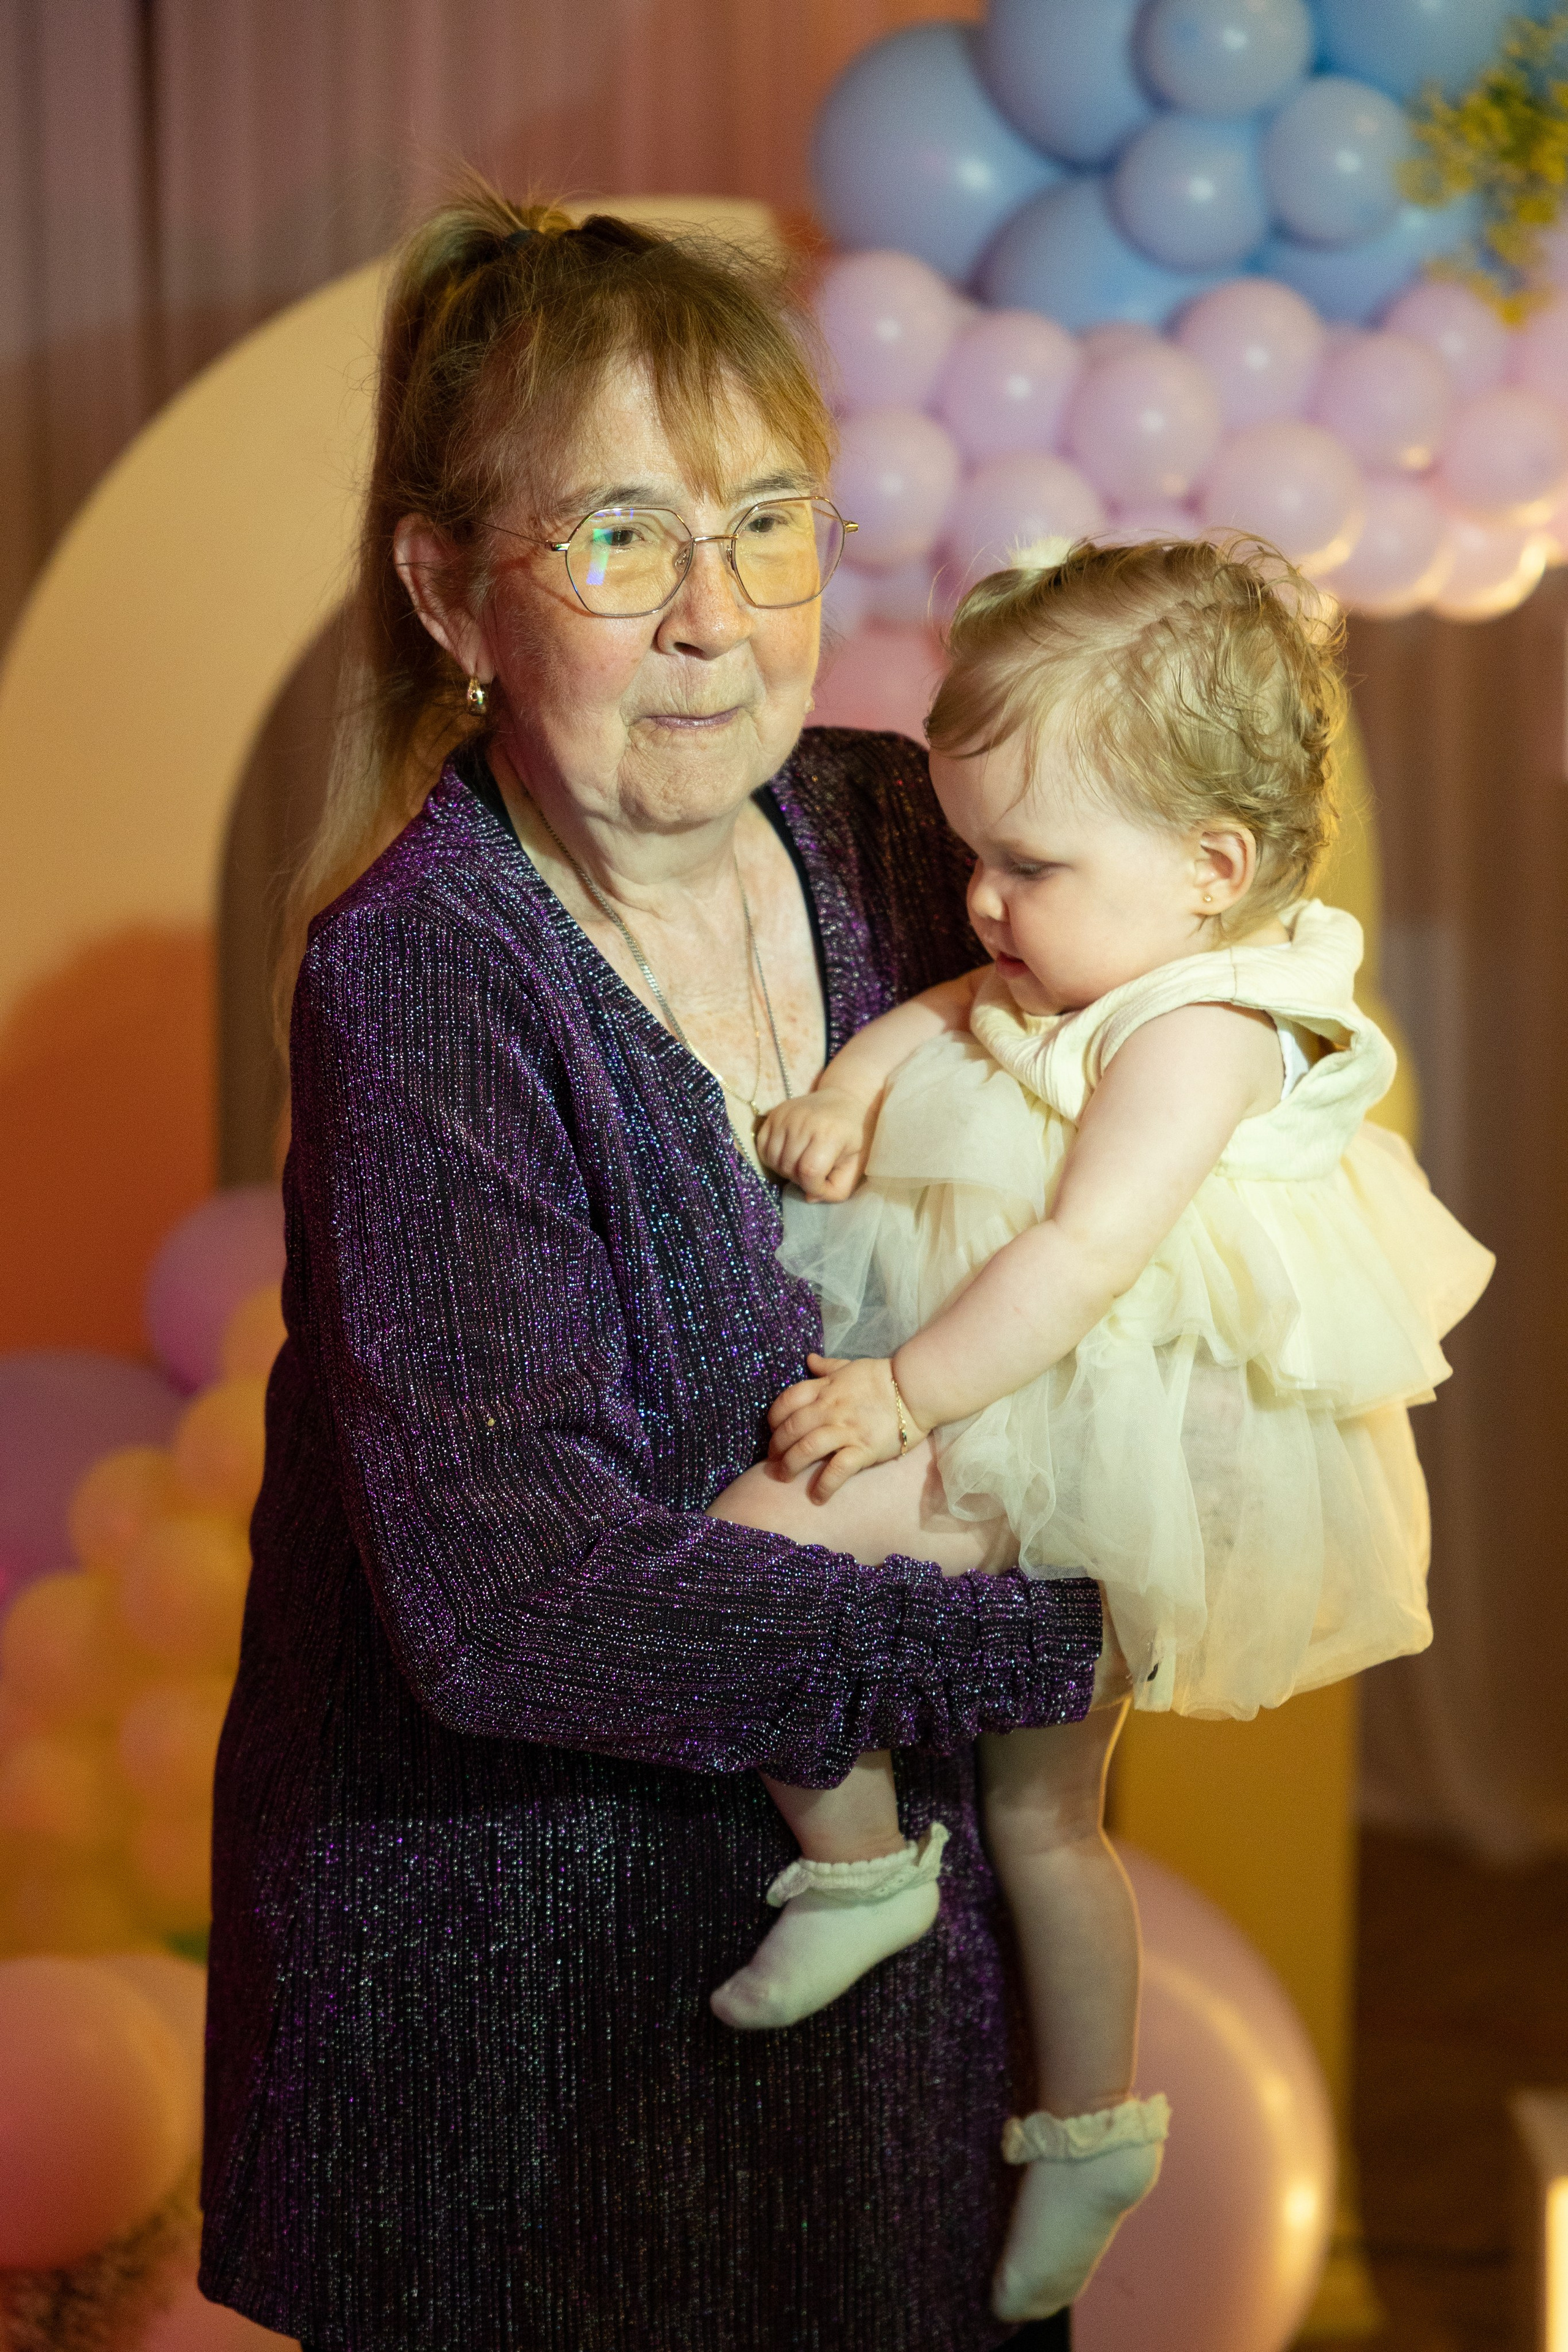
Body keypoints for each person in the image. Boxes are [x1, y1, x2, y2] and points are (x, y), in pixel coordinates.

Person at [197, 187, 1107, 2352]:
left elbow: (1193, 1034)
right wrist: (1065, 1635)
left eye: (767, 522)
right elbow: (519, 1608)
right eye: (618, 539)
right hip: (524, 2006)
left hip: (905, 1980)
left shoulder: (917, 838)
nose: (716, 619)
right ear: (451, 591)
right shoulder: (423, 971)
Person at [707, 537, 1494, 2322]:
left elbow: (1081, 1253)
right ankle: (1034, 2054)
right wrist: (848, 1089)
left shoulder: (1208, 1024)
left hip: (1098, 1422)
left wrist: (899, 1395)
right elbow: (951, 1009)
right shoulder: (1090, 948)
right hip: (1033, 1389)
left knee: (771, 1574)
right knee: (1039, 1810)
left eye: (1026, 864)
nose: (980, 900)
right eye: (976, 853)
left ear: (1212, 870)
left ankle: (914, 1925)